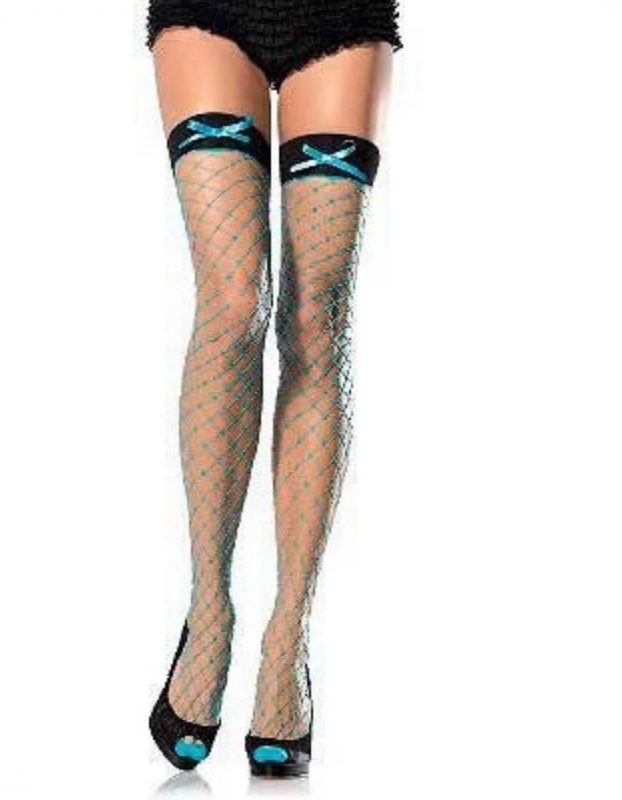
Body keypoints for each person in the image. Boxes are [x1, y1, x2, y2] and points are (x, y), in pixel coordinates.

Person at [146, 0, 401, 778]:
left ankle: (287, 637)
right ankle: (209, 612)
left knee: (316, 316)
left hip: (341, 17)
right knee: (233, 300)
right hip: (207, 12)